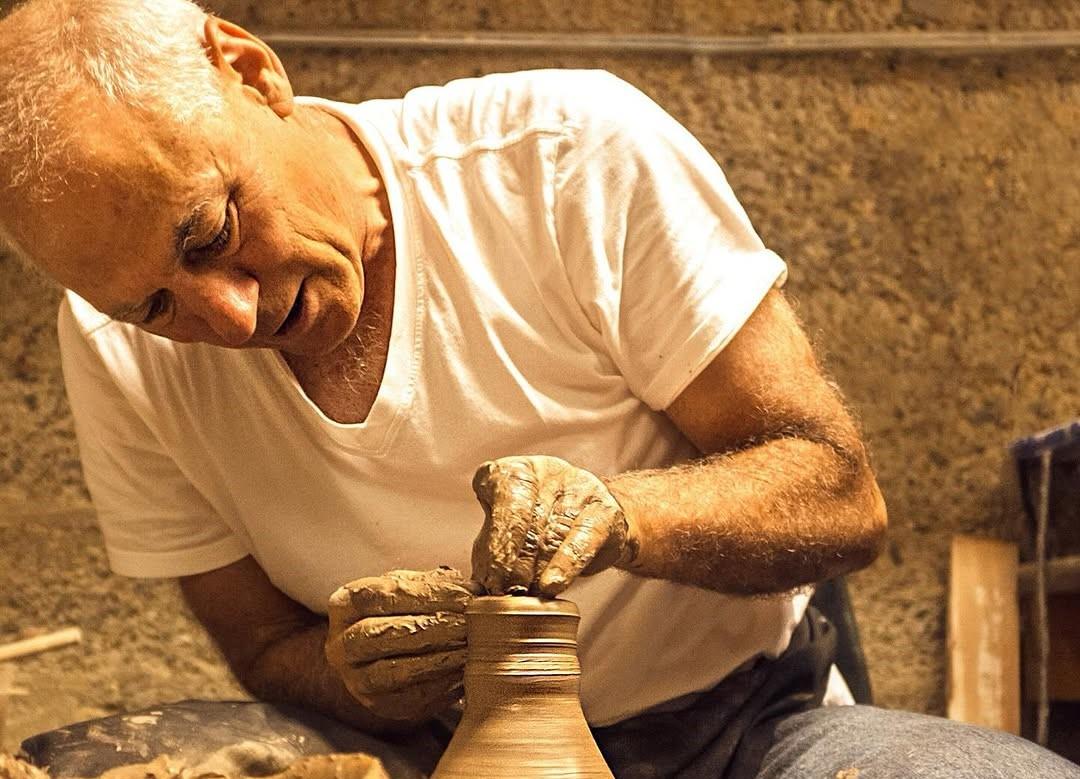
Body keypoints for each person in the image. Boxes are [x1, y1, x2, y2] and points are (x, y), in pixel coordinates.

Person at [0, 2, 1076, 778]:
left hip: (740, 727)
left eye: (215, 233)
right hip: (420, 753)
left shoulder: (563, 158)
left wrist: (623, 516)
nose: (223, 314)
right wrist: (347, 669)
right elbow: (260, 650)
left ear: (250, 69)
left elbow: (841, 493)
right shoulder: (111, 343)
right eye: (156, 302)